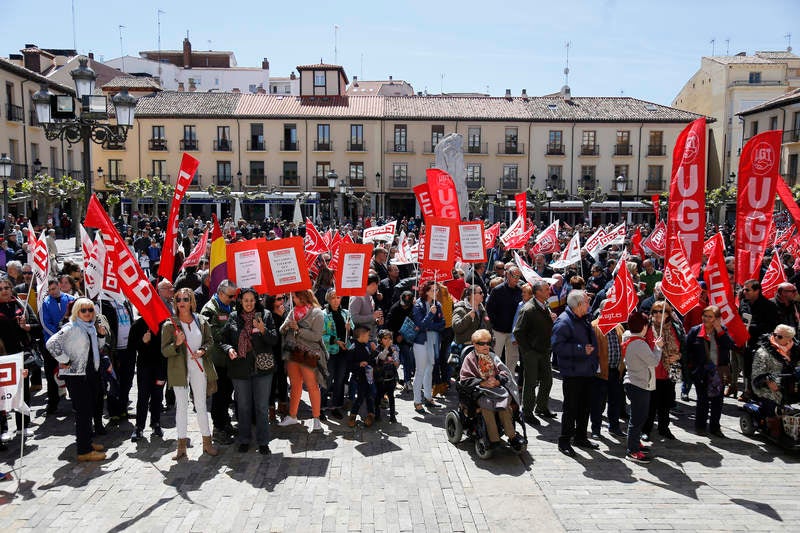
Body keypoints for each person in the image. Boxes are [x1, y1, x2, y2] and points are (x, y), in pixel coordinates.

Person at [46, 298, 108, 462]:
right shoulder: (71, 327)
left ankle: (86, 441)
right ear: (76, 312)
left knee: (89, 410)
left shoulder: (91, 327)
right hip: (77, 376)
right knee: (83, 413)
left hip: (90, 372)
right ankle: (84, 450)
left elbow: (98, 348)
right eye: (83, 310)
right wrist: (64, 359)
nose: (88, 313)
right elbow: (51, 343)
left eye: (90, 310)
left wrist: (101, 335)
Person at [161, 288, 218, 460]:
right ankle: (181, 446)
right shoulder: (170, 324)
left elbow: (210, 341)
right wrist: (177, 343)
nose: (181, 303)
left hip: (198, 367)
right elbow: (165, 351)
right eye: (178, 299)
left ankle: (207, 443)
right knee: (181, 407)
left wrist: (202, 351)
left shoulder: (201, 320)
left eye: (185, 299)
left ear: (191, 301)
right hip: (178, 371)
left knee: (201, 405)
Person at [220, 288, 278, 455]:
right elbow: (223, 339)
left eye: (252, 300)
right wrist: (229, 348)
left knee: (261, 407)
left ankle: (263, 442)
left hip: (262, 369)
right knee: (243, 406)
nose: (249, 303)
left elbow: (274, 339)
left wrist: (263, 330)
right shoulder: (233, 317)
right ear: (240, 301)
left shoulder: (265, 315)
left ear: (256, 300)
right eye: (245, 300)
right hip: (240, 369)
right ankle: (244, 439)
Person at [459, 328, 525, 450]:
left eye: (487, 343)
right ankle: (494, 440)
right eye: (481, 343)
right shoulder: (470, 358)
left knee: (504, 404)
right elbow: (465, 379)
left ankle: (512, 436)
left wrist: (498, 380)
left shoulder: (493, 356)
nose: (485, 346)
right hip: (478, 392)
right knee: (487, 406)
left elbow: (505, 373)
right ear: (474, 344)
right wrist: (482, 382)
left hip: (495, 389)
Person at [551, 290, 599, 457]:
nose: (589, 305)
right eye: (586, 302)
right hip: (573, 372)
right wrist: (580, 349)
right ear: (578, 305)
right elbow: (557, 347)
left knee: (585, 407)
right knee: (571, 408)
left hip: (587, 371)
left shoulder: (584, 318)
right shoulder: (563, 322)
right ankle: (564, 440)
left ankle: (580, 437)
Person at [278, 289, 328, 432]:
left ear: (302, 297)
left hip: (308, 354)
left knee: (312, 386)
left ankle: (316, 418)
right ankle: (292, 415)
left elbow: (317, 336)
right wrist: (287, 324)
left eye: (294, 296)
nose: (292, 299)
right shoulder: (293, 311)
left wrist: (298, 329)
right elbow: (282, 330)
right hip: (293, 353)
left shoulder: (317, 313)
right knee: (295, 385)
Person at [686, 306, 735, 438]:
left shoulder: (722, 331)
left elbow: (730, 345)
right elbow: (686, 350)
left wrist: (719, 329)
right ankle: (700, 426)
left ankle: (715, 427)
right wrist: (691, 368)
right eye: (705, 316)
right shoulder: (695, 331)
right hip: (701, 372)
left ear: (717, 319)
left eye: (710, 316)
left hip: (719, 371)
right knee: (702, 400)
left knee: (717, 401)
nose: (706, 319)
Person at [200, 280, 239, 445]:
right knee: (219, 395)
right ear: (221, 293)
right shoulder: (210, 309)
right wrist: (232, 331)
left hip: (229, 359)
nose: (232, 298)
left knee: (227, 393)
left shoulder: (229, 306)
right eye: (230, 296)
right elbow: (212, 333)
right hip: (217, 359)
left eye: (234, 296)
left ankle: (225, 423)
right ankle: (217, 428)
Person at [514, 280, 557, 426]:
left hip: (544, 350)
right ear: (537, 292)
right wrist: (528, 351)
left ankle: (541, 407)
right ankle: (527, 412)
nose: (549, 292)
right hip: (532, 352)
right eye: (546, 290)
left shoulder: (545, 306)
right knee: (531, 383)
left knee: (547, 380)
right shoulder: (528, 309)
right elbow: (518, 332)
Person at [621, 311, 661, 464]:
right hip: (638, 384)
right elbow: (653, 361)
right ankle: (632, 450)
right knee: (637, 419)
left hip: (634, 382)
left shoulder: (629, 337)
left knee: (638, 417)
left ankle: (635, 443)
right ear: (644, 326)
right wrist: (658, 348)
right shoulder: (639, 343)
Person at [642, 300, 683, 441]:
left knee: (666, 404)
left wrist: (678, 355)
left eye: (662, 311)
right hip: (652, 372)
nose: (658, 314)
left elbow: (683, 347)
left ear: (668, 314)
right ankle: (646, 430)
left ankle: (664, 428)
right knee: (650, 405)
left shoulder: (675, 328)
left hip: (669, 372)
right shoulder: (647, 328)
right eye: (655, 311)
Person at [752, 324, 800, 439]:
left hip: (791, 383)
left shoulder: (795, 350)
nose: (775, 338)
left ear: (789, 339)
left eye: (779, 336)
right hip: (768, 385)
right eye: (774, 335)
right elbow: (757, 374)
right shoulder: (763, 352)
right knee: (773, 398)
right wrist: (767, 380)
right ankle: (773, 423)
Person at [39, 278, 76, 414]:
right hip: (52, 344)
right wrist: (58, 337)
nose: (52, 292)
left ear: (59, 286)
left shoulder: (71, 299)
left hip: (70, 342)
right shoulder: (44, 303)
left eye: (54, 288)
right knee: (50, 374)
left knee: (72, 371)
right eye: (49, 290)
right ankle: (53, 403)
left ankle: (75, 401)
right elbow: (45, 323)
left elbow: (76, 317)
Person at [129, 313, 167, 443]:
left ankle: (156, 423)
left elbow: (167, 347)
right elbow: (131, 347)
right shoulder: (137, 324)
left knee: (157, 396)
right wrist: (142, 341)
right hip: (144, 367)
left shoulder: (164, 324)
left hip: (160, 366)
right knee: (143, 397)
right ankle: (139, 426)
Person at [739, 279, 778, 401]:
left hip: (761, 344)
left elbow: (771, 325)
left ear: (757, 291)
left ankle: (759, 395)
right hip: (746, 342)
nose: (744, 291)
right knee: (747, 368)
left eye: (747, 290)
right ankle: (748, 390)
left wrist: (751, 328)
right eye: (744, 289)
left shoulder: (768, 306)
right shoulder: (743, 303)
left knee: (758, 370)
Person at [590, 307, 625, 438]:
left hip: (616, 370)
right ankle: (596, 429)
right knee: (598, 402)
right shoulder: (594, 326)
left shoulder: (619, 326)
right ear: (602, 311)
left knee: (615, 400)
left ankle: (614, 426)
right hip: (600, 372)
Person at [411, 280, 445, 414]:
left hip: (433, 341)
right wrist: (431, 314)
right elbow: (420, 324)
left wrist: (428, 326)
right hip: (420, 342)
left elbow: (442, 323)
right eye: (432, 290)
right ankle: (417, 401)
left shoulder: (438, 304)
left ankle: (428, 397)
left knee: (430, 368)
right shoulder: (418, 305)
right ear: (425, 291)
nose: (435, 292)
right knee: (420, 371)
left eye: (437, 290)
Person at [485, 266, 523, 379]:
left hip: (513, 332)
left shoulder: (520, 291)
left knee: (512, 359)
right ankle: (493, 380)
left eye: (518, 276)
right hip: (498, 330)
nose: (517, 279)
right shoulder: (497, 290)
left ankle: (509, 381)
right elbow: (489, 310)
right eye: (514, 276)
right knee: (495, 357)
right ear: (507, 275)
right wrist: (494, 325)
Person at [322, 288, 353, 419]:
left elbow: (352, 329)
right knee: (326, 380)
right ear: (328, 299)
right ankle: (321, 407)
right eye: (333, 298)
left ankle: (335, 406)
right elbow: (321, 335)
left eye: (338, 297)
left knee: (340, 380)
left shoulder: (346, 313)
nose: (336, 301)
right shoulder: (323, 314)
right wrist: (335, 341)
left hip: (344, 352)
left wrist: (349, 328)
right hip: (330, 352)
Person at [264, 293, 289, 421]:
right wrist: (279, 318)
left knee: (283, 379)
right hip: (271, 351)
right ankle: (271, 408)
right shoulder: (267, 314)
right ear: (272, 301)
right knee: (272, 381)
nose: (282, 301)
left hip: (283, 351)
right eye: (279, 299)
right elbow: (273, 335)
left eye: (283, 298)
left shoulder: (285, 312)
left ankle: (283, 404)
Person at [347, 326, 376, 427]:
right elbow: (349, 365)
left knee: (370, 396)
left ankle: (371, 414)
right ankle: (353, 415)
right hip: (359, 377)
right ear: (362, 336)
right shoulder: (353, 348)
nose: (369, 337)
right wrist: (359, 364)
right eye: (368, 335)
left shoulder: (367, 346)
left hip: (369, 376)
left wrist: (374, 351)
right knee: (360, 397)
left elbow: (371, 359)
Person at [374, 329, 400, 423]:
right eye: (385, 338)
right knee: (378, 397)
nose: (388, 340)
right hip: (380, 378)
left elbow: (397, 363)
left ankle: (392, 416)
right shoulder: (378, 349)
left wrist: (395, 356)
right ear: (380, 340)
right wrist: (386, 349)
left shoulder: (393, 349)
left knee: (391, 397)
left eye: (389, 338)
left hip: (391, 378)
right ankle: (377, 415)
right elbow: (380, 358)